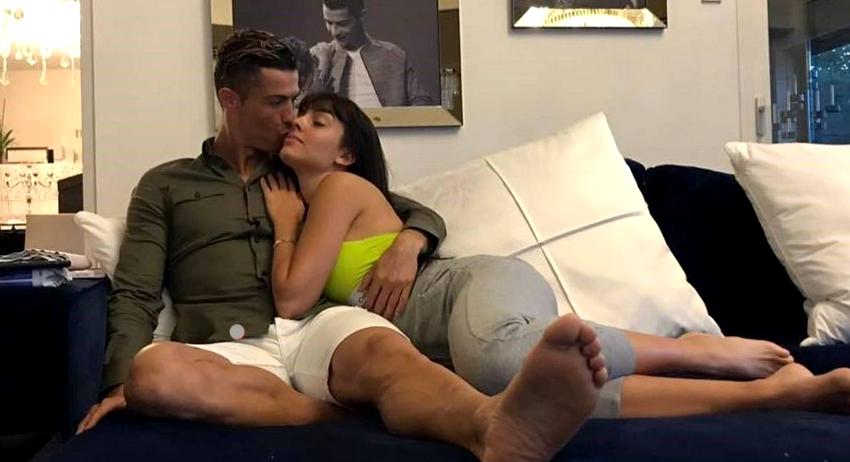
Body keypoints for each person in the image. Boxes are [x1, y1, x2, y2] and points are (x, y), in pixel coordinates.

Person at [76, 29, 605, 462]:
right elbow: (137, 293)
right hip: (223, 347)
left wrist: (410, 241)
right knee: (152, 375)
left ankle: (489, 426)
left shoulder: (303, 166)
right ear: (230, 101)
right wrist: (119, 383)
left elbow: (403, 206)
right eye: (277, 102)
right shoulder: (166, 184)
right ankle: (337, 413)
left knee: (384, 352)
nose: (291, 116)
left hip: (318, 325)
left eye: (295, 100)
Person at [262, 91, 850, 421]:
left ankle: (695, 351)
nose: (298, 124)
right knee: (533, 400)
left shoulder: (337, 190)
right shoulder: (317, 207)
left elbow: (292, 298)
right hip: (450, 343)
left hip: (469, 292)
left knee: (499, 364)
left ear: (346, 155)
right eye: (298, 116)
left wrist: (286, 227)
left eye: (317, 122)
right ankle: (766, 395)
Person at [309, 0, 433, 107]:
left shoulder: (394, 56)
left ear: (361, 17)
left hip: (389, 126)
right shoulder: (318, 56)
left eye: (343, 24)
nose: (334, 32)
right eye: (329, 23)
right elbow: (306, 109)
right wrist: (322, 66)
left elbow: (422, 101)